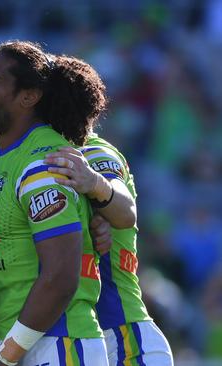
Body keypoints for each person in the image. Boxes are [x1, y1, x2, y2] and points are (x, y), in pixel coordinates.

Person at [0, 41, 108, 365]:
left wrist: (6, 357)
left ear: (29, 96)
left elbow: (60, 277)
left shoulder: (46, 163)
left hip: (55, 344)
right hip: (11, 338)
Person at [43, 97, 174, 363]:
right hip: (76, 336)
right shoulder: (26, 155)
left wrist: (96, 188)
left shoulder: (91, 152)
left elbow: (126, 209)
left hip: (123, 337)